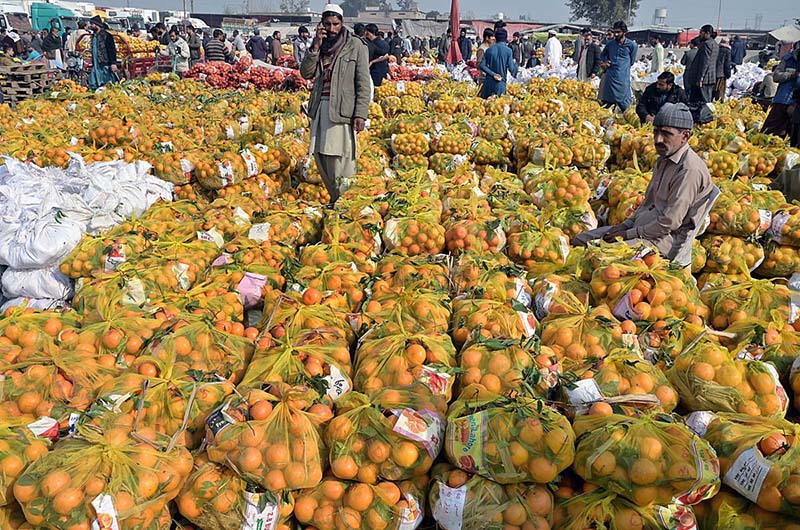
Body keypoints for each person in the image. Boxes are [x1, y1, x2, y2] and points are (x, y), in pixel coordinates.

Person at [575, 103, 717, 267]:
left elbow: (669, 223)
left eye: (666, 134)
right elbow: (647, 204)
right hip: (640, 230)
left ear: (685, 136)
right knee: (581, 240)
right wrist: (624, 225)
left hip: (662, 243)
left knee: (598, 257)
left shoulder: (689, 170)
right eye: (656, 131)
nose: (658, 139)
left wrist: (628, 234)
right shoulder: (663, 160)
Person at [300, 4, 370, 205]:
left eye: (335, 24)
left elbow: (363, 83)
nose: (331, 29)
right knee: (321, 157)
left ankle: (345, 201)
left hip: (341, 110)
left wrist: (360, 114)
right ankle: (335, 198)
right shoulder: (320, 46)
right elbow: (306, 73)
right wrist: (315, 47)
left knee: (339, 161)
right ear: (321, 25)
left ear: (342, 23)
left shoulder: (355, 46)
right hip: (320, 107)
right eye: (327, 24)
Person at [761, 42, 800, 138]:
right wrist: (792, 74)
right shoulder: (788, 60)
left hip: (796, 103)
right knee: (769, 131)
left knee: (791, 134)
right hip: (782, 100)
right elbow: (776, 76)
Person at [599, 21, 638, 110]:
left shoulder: (632, 45)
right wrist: (606, 62)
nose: (616, 34)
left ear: (624, 32)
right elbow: (603, 55)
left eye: (618, 32)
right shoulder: (610, 44)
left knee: (626, 107)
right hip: (610, 78)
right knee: (607, 107)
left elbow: (631, 61)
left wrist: (622, 66)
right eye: (614, 32)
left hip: (623, 78)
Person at [684, 25, 719, 105]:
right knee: (707, 100)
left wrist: (700, 79)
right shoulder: (715, 44)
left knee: (700, 102)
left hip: (703, 79)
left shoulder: (706, 44)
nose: (700, 34)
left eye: (701, 32)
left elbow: (705, 62)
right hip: (711, 77)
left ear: (707, 33)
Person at [478, 28, 518, 99]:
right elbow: (512, 70)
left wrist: (493, 74)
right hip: (500, 85)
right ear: (505, 38)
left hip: (488, 84)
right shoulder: (508, 51)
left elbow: (482, 65)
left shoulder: (489, 50)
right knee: (498, 106)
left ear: (495, 38)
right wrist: (516, 65)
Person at [87, 16, 117, 90]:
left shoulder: (107, 36)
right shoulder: (94, 36)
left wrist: (113, 63)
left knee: (106, 82)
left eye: (92, 24)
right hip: (96, 64)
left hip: (104, 63)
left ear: (97, 25)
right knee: (94, 82)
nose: (90, 26)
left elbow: (112, 50)